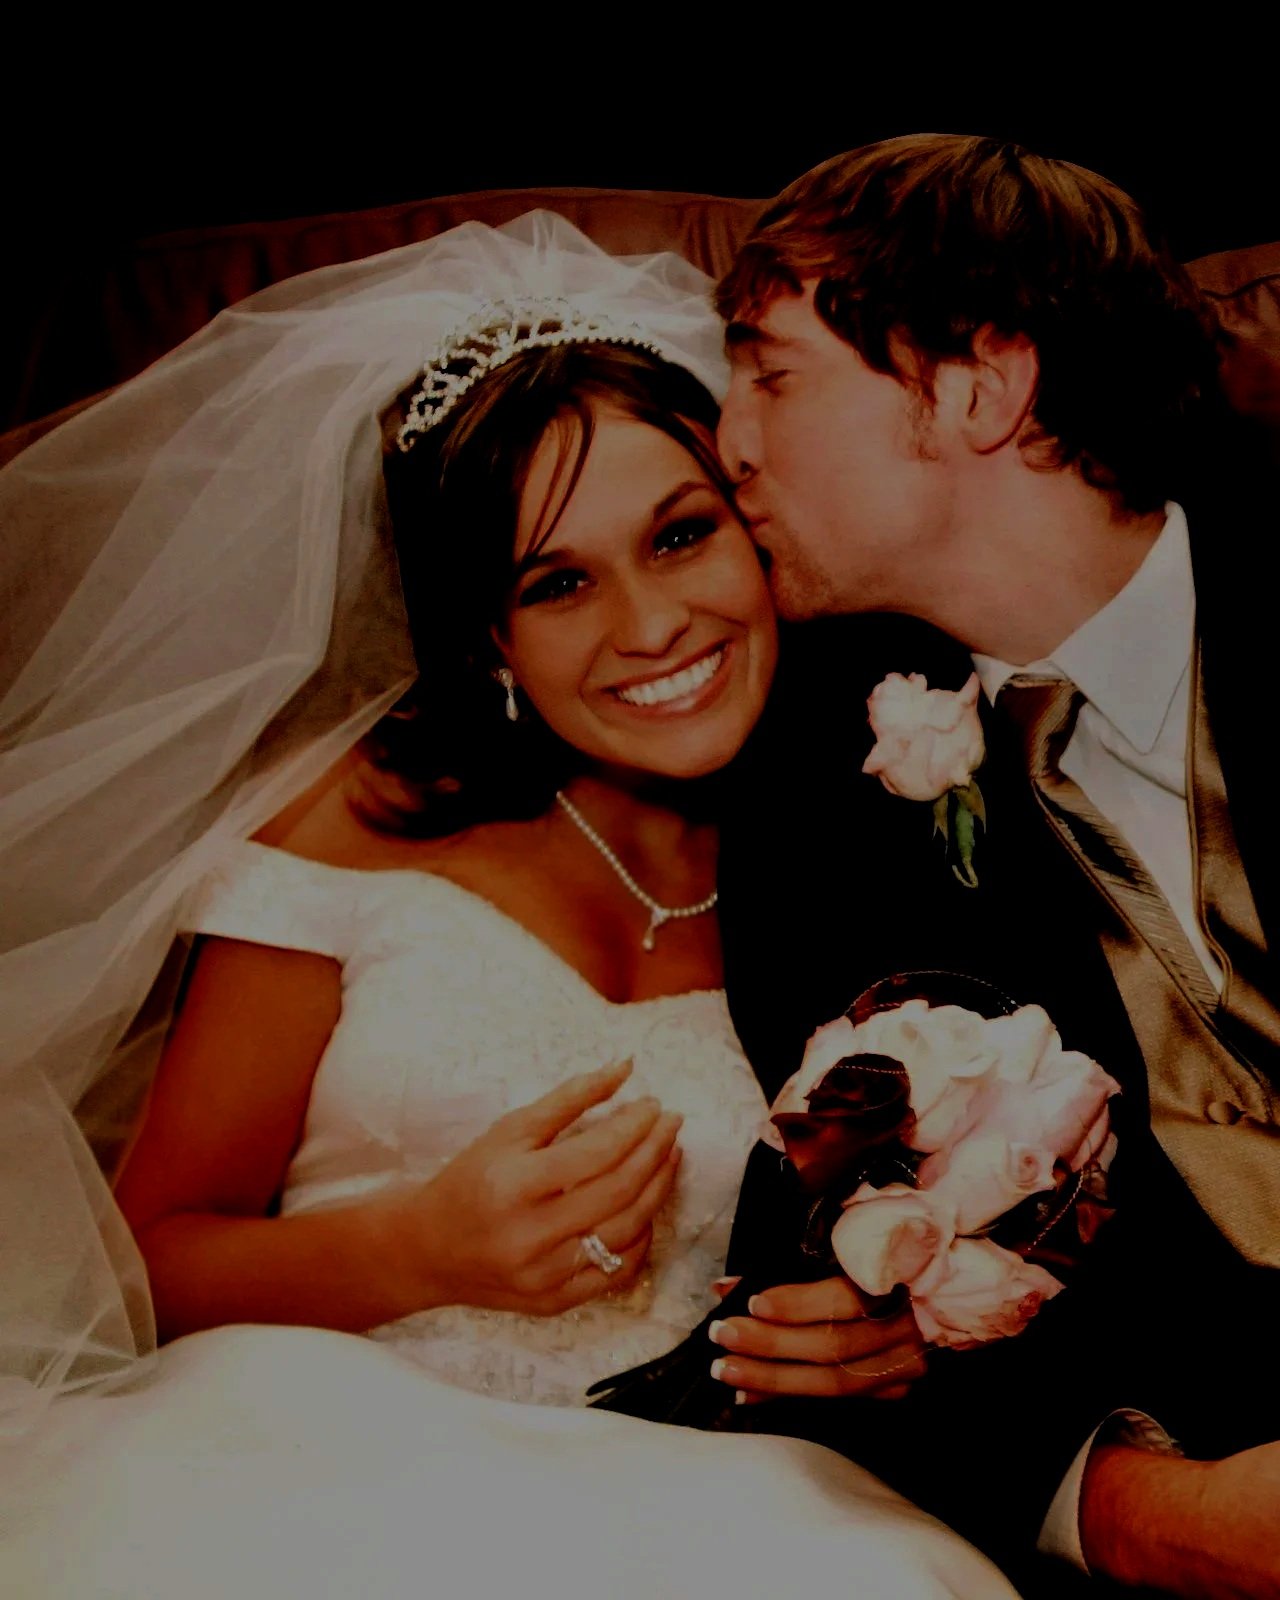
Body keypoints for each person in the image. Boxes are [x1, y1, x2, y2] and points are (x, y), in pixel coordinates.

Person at [0, 209, 1017, 1600]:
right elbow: (140, 1266)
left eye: (678, 536)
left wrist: (889, 1331)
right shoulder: (351, 824)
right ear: (490, 635)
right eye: (558, 583)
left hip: (724, 1510)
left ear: (752, 525)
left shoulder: (868, 841)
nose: (650, 627)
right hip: (310, 1468)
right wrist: (416, 1246)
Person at [702, 133, 1280, 1597]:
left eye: (769, 372)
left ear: (978, 386)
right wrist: (1153, 1510)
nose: (732, 439)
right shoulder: (803, 789)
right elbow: (839, 1259)